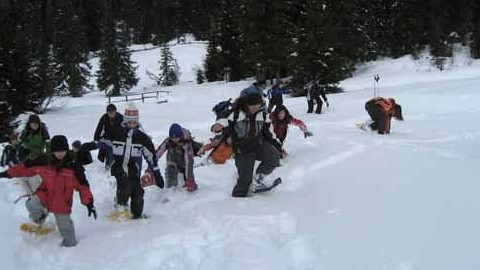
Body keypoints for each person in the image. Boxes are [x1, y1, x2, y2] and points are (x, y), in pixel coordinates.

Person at [0, 135, 97, 247]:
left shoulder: (74, 166)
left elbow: (83, 186)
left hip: (62, 202)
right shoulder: (43, 161)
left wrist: (89, 203)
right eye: (57, 151)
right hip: (45, 194)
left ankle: (70, 250)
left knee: (69, 237)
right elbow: (23, 169)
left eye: (62, 151)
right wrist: (5, 174)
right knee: (31, 204)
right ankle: (39, 220)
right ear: (52, 151)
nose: (60, 153)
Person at [97, 103, 164, 219]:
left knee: (137, 193)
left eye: (134, 122)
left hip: (134, 170)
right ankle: (121, 207)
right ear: (125, 122)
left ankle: (137, 214)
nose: (132, 125)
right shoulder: (116, 133)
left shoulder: (143, 138)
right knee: (124, 186)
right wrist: (87, 147)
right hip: (119, 167)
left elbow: (151, 157)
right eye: (129, 122)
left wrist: (157, 174)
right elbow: (102, 141)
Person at [214, 93, 282, 197]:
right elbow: (223, 122)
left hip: (258, 144)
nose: (254, 108)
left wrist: (277, 144)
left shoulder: (263, 114)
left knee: (273, 157)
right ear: (247, 104)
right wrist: (218, 127)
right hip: (242, 148)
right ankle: (237, 199)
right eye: (252, 106)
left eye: (257, 106)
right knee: (245, 178)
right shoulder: (236, 113)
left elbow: (268, 132)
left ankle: (259, 180)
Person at [155, 123, 198, 192]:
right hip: (172, 162)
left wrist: (189, 179)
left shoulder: (186, 144)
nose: (174, 139)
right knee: (170, 170)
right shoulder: (168, 141)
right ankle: (170, 190)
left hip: (184, 165)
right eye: (172, 138)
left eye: (176, 137)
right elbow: (158, 152)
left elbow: (189, 162)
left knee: (189, 184)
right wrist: (151, 165)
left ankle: (189, 184)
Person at [93, 104, 124, 168]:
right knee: (107, 148)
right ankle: (108, 164)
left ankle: (113, 163)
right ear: (107, 112)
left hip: (118, 137)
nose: (111, 114)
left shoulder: (120, 117)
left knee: (114, 150)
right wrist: (96, 138)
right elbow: (99, 127)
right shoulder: (104, 117)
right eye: (110, 113)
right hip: (107, 136)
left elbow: (125, 127)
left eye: (113, 113)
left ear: (115, 111)